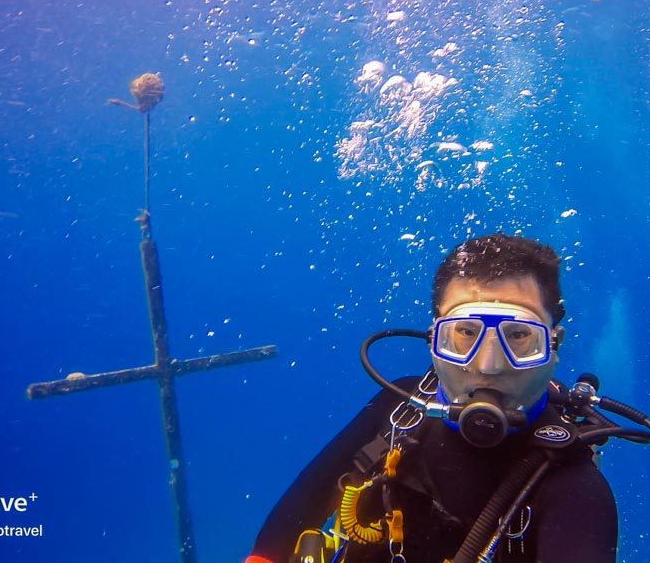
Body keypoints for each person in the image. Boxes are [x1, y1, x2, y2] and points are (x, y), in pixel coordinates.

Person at [246, 233, 618, 563]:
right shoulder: (399, 409)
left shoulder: (573, 488)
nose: (488, 366)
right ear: (433, 339)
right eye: (466, 332)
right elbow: (304, 502)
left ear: (553, 344)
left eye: (519, 336)